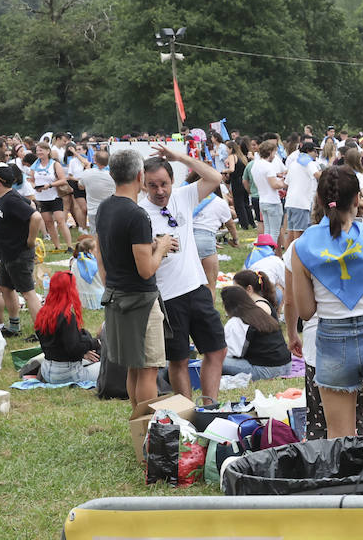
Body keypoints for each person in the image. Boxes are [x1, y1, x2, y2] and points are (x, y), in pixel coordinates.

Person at [290, 167, 363, 437]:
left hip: (332, 341)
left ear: (319, 201)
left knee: (339, 438)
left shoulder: (302, 246)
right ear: (357, 200)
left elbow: (306, 312)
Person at [140, 147, 229, 402]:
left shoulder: (183, 196)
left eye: (164, 184)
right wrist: (158, 247)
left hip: (196, 287)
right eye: (152, 186)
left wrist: (180, 158)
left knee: (216, 350)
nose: (159, 191)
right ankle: (187, 412)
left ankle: (209, 405)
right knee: (178, 359)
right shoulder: (140, 213)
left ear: (172, 181)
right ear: (143, 184)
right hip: (166, 297)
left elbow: (214, 178)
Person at [97, 149, 175, 410]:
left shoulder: (105, 207)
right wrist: (162, 247)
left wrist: (149, 244)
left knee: (134, 366)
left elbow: (107, 250)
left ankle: (138, 424)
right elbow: (146, 270)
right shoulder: (137, 214)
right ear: (141, 176)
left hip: (116, 295)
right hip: (140, 301)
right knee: (149, 369)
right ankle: (151, 429)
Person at [0, 164, 44, 339]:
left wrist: (30, 239)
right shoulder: (8, 196)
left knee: (28, 293)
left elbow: (35, 215)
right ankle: (14, 327)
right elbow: (32, 204)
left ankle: (42, 332)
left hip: (18, 254)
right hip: (8, 255)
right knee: (5, 287)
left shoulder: (11, 199)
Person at [32, 271, 100, 385]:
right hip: (67, 373)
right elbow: (73, 348)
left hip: (47, 369)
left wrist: (84, 350)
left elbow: (62, 345)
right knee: (107, 367)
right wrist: (94, 343)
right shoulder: (67, 317)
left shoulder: (43, 313)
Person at [219, 284, 292, 380]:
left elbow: (234, 353)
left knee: (212, 361)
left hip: (266, 370)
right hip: (286, 366)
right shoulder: (260, 312)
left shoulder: (237, 321)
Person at [190, 185, 237, 288]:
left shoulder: (188, 199)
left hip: (187, 239)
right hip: (207, 239)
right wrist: (235, 239)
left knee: (190, 285)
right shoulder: (219, 202)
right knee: (210, 284)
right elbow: (230, 224)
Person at [30, 141, 72, 251]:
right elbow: (31, 180)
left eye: (41, 150)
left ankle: (69, 246)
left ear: (48, 151)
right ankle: (57, 246)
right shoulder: (35, 165)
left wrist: (50, 185)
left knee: (60, 221)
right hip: (41, 198)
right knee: (48, 223)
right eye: (37, 150)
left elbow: (63, 179)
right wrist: (35, 186)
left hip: (54, 196)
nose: (39, 153)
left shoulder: (54, 164)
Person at [283, 139, 321, 249]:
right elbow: (317, 175)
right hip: (301, 204)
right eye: (315, 151)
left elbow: (286, 184)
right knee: (299, 237)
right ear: (309, 151)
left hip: (290, 203)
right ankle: (296, 261)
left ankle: (286, 260)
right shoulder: (308, 162)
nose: (317, 154)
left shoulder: (294, 162)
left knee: (290, 235)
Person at [251, 139, 286, 242]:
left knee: (267, 231)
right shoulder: (268, 166)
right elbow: (274, 184)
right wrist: (285, 183)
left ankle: (265, 252)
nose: (275, 155)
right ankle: (271, 253)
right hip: (273, 202)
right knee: (274, 232)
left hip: (263, 201)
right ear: (270, 152)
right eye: (274, 152)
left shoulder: (255, 165)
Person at [79, 149, 115, 234]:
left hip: (93, 210)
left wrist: (87, 170)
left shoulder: (87, 173)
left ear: (95, 160)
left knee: (95, 234)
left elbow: (80, 186)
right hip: (110, 209)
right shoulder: (113, 174)